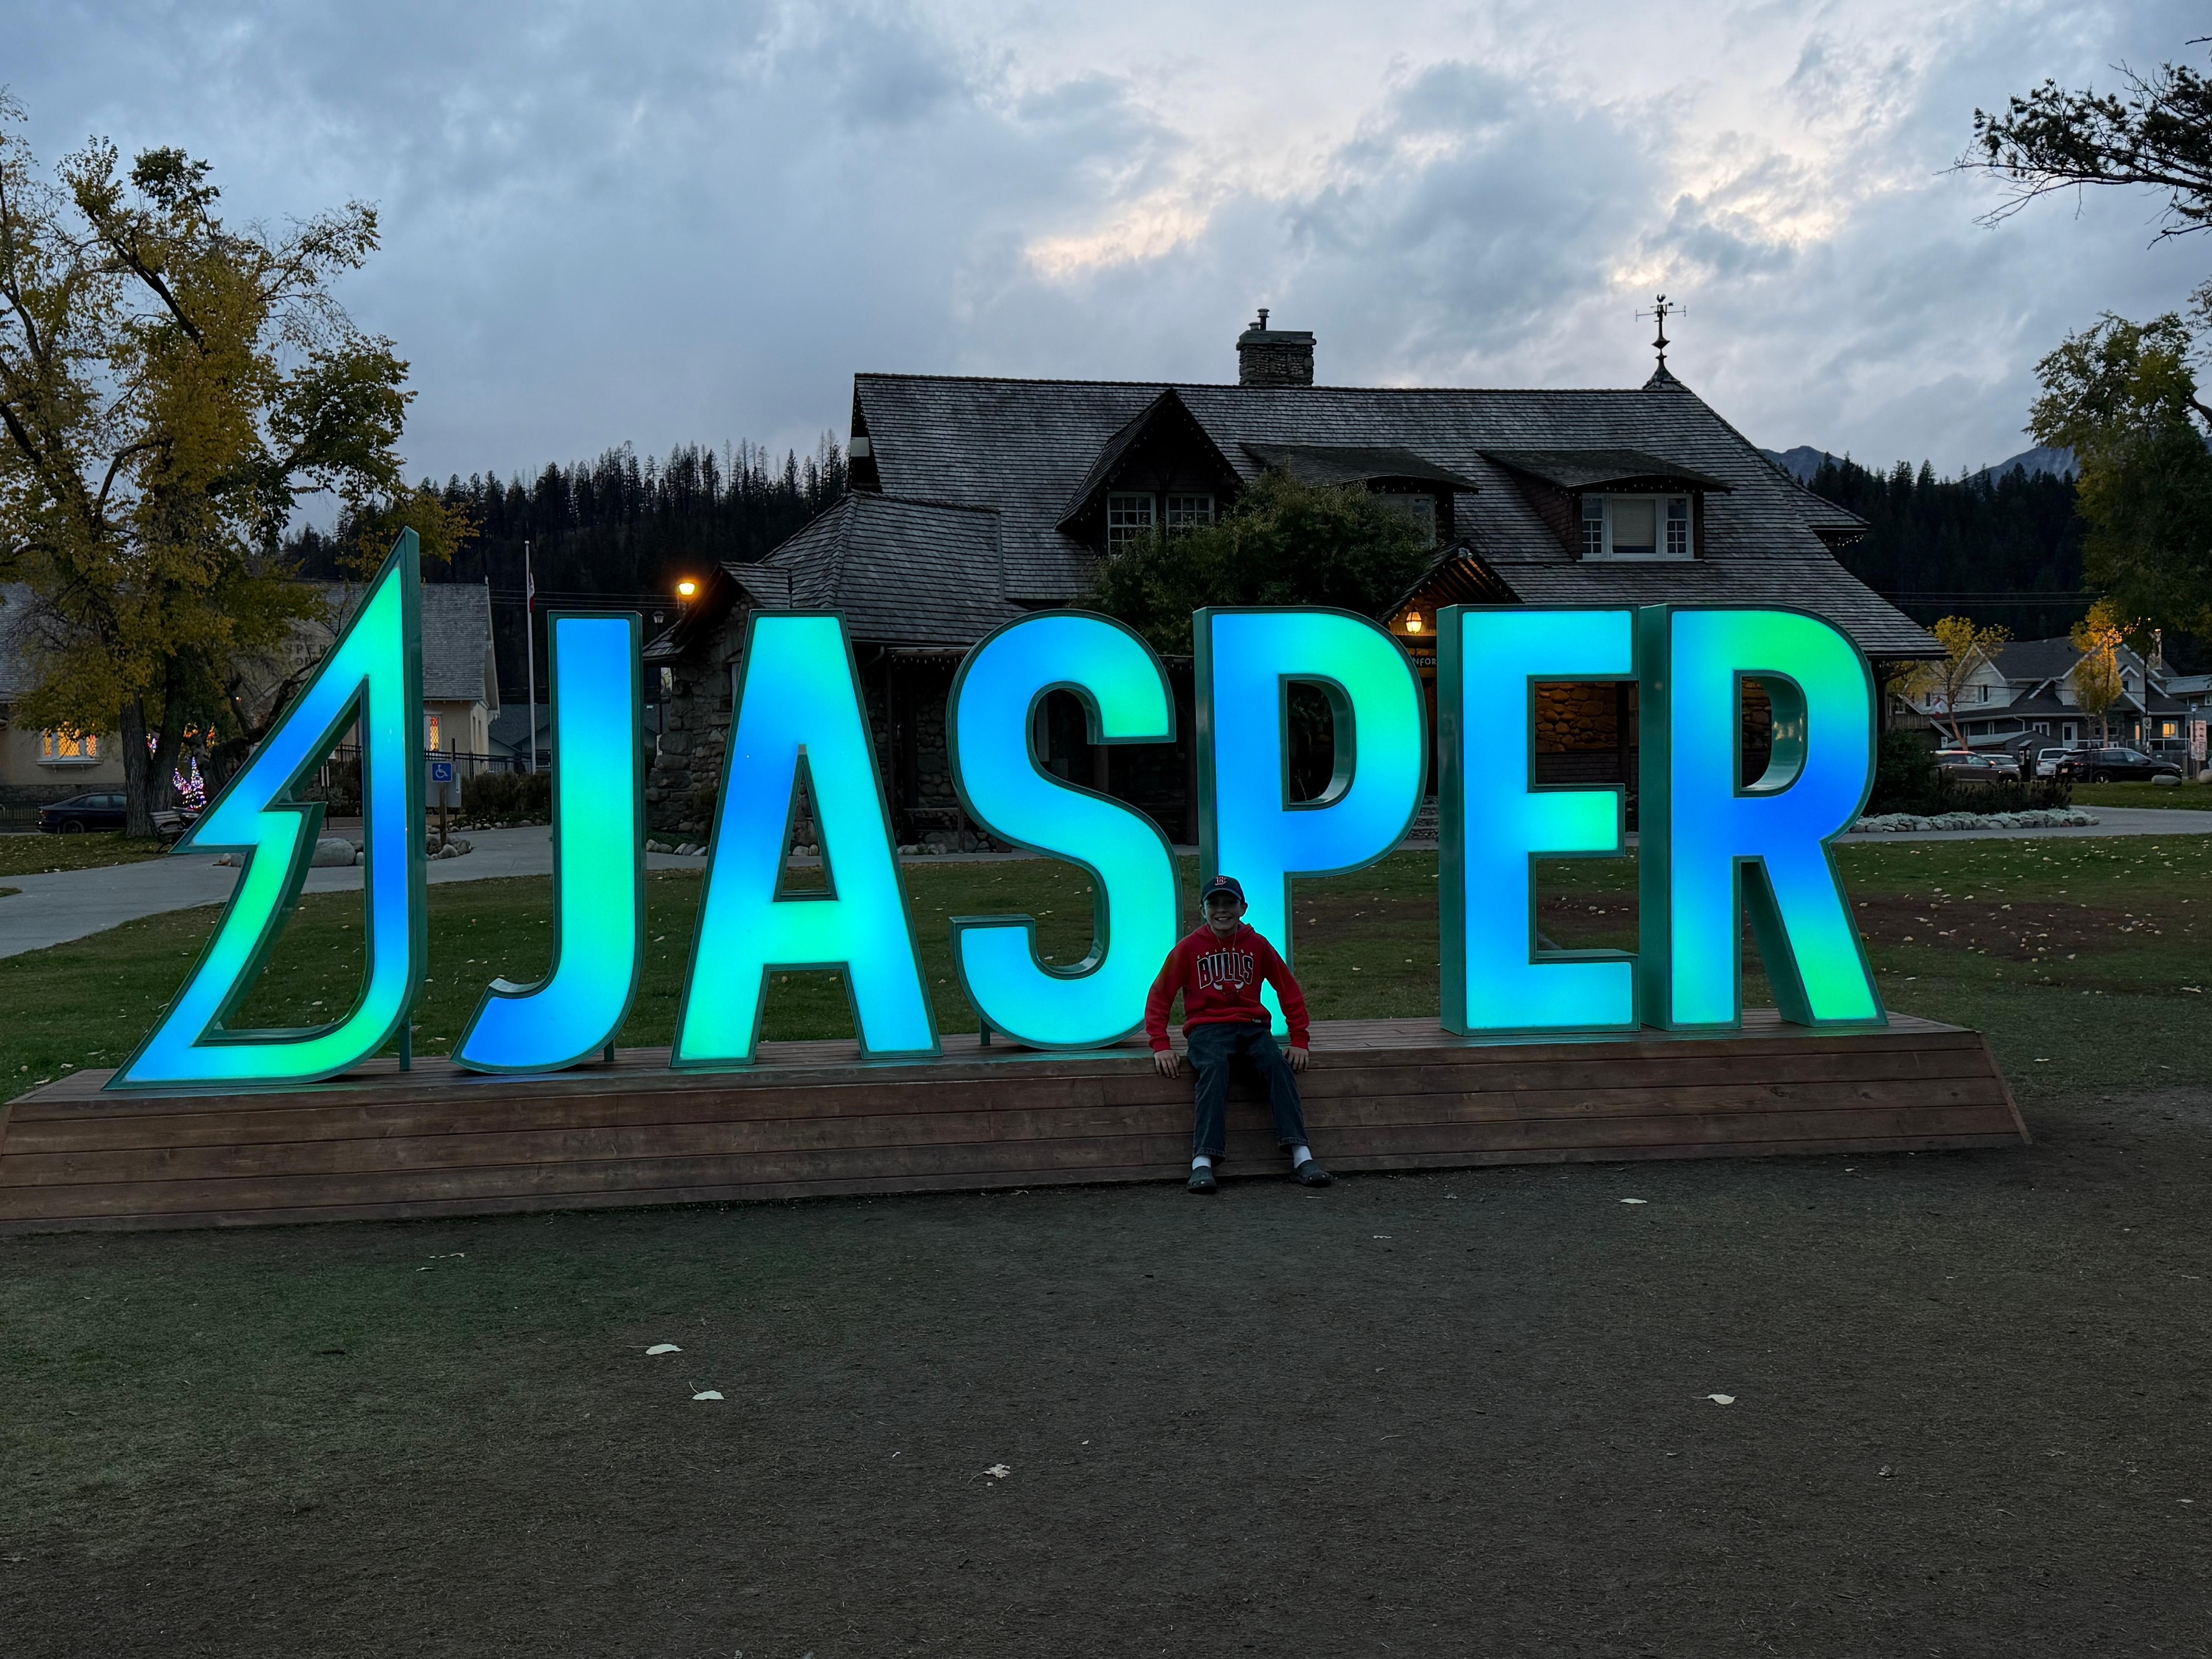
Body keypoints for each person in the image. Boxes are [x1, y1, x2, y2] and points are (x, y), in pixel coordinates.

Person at [1144, 874, 1331, 1194]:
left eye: (1229, 903)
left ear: (1243, 907)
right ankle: (1202, 1162)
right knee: (1214, 1069)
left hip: (1252, 1029)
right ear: (1203, 909)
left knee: (1278, 1065)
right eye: (1214, 903)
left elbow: (1288, 989)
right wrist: (1160, 1044)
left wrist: (1300, 1038)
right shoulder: (1189, 948)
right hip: (1207, 1030)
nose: (1222, 910)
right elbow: (1160, 995)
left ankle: (1302, 1156)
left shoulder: (1257, 945)